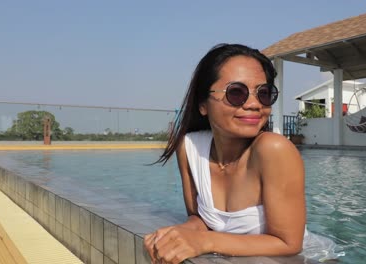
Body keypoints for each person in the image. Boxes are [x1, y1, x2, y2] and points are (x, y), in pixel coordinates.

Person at [144, 44, 341, 264]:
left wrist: (204, 242)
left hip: (312, 259)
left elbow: (289, 243)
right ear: (203, 105)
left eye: (264, 93)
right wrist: (180, 233)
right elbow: (198, 218)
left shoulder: (274, 149)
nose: (255, 104)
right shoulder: (190, 148)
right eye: (236, 93)